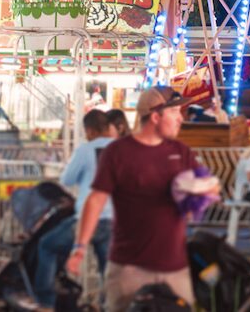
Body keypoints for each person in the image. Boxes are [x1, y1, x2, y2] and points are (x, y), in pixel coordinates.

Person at [68, 87, 217, 312]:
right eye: (175, 112)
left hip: (174, 268)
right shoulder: (118, 152)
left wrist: (203, 188)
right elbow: (96, 199)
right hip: (129, 270)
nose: (181, 119)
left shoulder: (180, 151)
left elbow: (210, 185)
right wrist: (80, 247)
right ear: (156, 117)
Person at [33, 109, 118, 307]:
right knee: (107, 269)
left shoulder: (85, 150)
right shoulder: (121, 148)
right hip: (115, 219)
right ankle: (108, 306)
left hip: (87, 219)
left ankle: (45, 302)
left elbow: (67, 179)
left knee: (47, 245)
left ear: (89, 131)